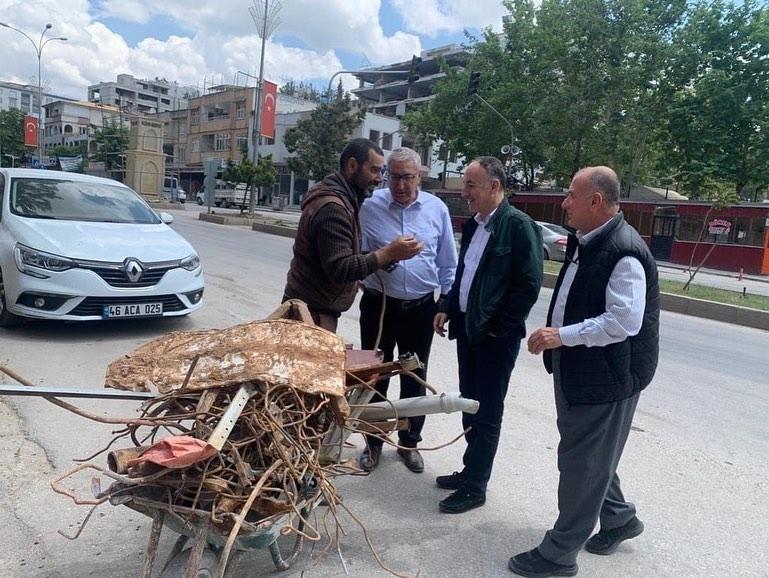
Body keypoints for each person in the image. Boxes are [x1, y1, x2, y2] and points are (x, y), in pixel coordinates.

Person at [508, 166, 660, 578]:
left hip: (608, 377)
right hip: (585, 370)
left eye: (570, 195)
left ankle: (559, 553)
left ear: (595, 200)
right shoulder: (591, 240)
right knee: (589, 453)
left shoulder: (623, 250)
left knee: (581, 463)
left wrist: (562, 336)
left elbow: (623, 322)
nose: (563, 203)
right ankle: (619, 518)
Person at [433, 156, 542, 514]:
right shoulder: (477, 224)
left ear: (494, 186)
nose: (464, 192)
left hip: (495, 338)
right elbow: (466, 273)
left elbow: (528, 286)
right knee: (469, 404)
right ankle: (469, 470)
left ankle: (476, 486)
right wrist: (447, 306)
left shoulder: (518, 226)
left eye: (470, 185)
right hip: (468, 330)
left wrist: (499, 328)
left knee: (487, 410)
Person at [357, 147, 458, 474]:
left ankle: (409, 442)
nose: (400, 184)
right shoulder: (370, 207)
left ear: (420, 176)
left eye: (408, 177)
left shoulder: (436, 208)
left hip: (420, 308)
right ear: (386, 175)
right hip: (379, 306)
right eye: (394, 176)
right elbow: (357, 255)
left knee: (414, 377)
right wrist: (381, 261)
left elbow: (447, 262)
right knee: (374, 378)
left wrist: (445, 302)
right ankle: (373, 443)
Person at [282, 138, 422, 332]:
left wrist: (380, 257)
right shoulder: (333, 208)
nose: (379, 178)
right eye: (374, 170)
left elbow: (340, 257)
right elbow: (341, 269)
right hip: (309, 317)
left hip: (312, 312)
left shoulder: (344, 200)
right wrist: (388, 253)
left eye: (381, 172)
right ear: (352, 165)